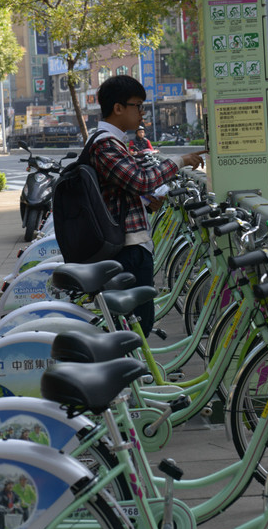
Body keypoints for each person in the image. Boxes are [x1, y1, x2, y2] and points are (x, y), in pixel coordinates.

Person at [88, 75, 205, 337]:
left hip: (126, 245)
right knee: (137, 327)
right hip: (126, 249)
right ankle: (123, 376)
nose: (142, 113)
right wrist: (180, 161)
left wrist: (145, 201)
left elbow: (123, 188)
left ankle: (127, 374)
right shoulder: (105, 144)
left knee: (133, 326)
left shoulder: (111, 142)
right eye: (137, 106)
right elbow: (141, 180)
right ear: (118, 108)